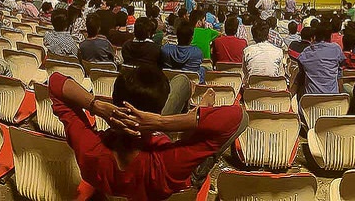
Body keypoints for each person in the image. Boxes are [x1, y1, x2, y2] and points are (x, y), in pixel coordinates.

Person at [45, 65, 247, 201]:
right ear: (158, 111)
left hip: (121, 168)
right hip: (168, 173)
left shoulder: (89, 148)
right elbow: (239, 117)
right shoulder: (167, 162)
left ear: (114, 100)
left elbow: (55, 82)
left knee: (182, 82)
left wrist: (96, 105)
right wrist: (160, 122)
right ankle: (195, 118)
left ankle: (194, 116)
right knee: (186, 89)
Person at [294, 24, 345, 96]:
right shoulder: (336, 48)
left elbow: (301, 71)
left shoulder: (306, 52)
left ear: (315, 37)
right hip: (333, 100)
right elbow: (342, 65)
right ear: (330, 36)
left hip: (311, 102)